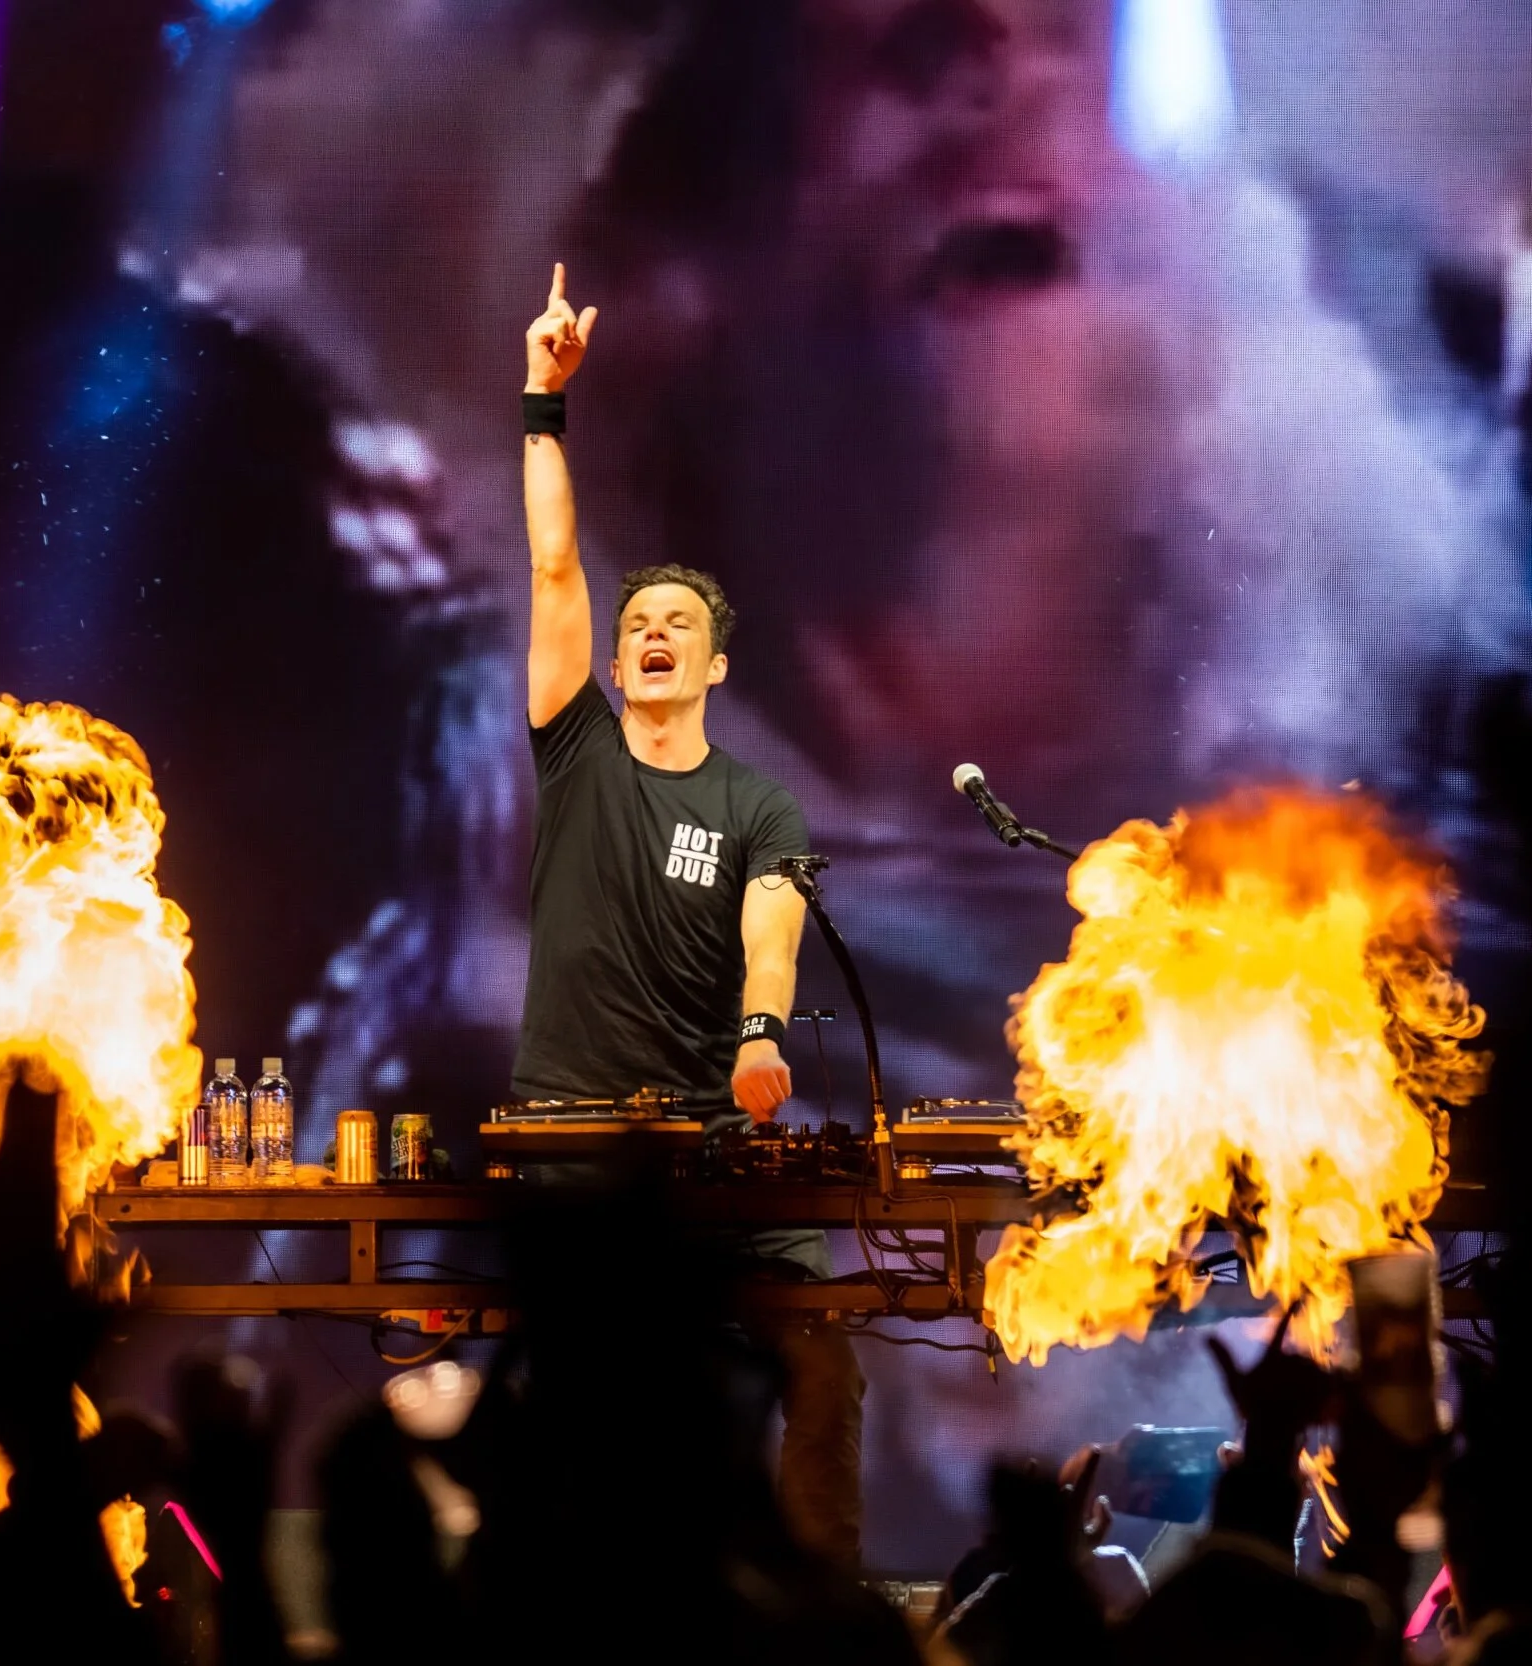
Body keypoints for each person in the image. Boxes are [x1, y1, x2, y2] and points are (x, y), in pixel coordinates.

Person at [513, 261, 865, 1566]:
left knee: (823, 1359)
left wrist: (762, 1033)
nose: (654, 632)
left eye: (680, 623)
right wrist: (543, 402)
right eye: (639, 623)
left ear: (716, 664)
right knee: (595, 1405)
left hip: (722, 1145)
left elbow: (773, 923)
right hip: (577, 1146)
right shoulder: (577, 751)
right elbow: (556, 563)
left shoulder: (760, 802)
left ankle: (818, 1611)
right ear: (615, 664)